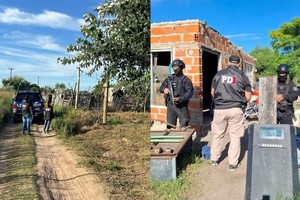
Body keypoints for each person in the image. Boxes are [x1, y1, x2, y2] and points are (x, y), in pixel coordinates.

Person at [210, 55, 252, 172]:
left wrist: (220, 102)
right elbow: (248, 96)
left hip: (219, 109)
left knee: (217, 134)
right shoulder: (242, 76)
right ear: (239, 64)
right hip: (235, 109)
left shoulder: (219, 74)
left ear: (228, 62)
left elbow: (212, 92)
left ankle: (214, 159)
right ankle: (233, 164)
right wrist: (240, 101)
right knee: (235, 136)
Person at [159, 59, 194, 129]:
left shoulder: (186, 80)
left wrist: (180, 98)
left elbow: (190, 92)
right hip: (171, 106)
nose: (175, 69)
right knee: (170, 126)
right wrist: (164, 89)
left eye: (176, 67)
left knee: (185, 127)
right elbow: (161, 88)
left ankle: (186, 140)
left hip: (181, 106)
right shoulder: (169, 78)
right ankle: (170, 140)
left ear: (181, 67)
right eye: (173, 67)